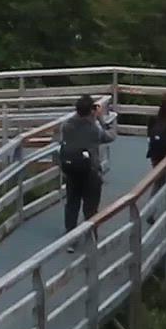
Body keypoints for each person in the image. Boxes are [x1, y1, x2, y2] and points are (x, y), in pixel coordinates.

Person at [55, 93, 117, 247]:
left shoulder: (66, 126)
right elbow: (111, 136)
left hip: (71, 170)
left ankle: (70, 238)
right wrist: (101, 119)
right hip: (90, 171)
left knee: (72, 204)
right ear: (91, 111)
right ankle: (91, 236)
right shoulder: (93, 129)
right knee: (90, 207)